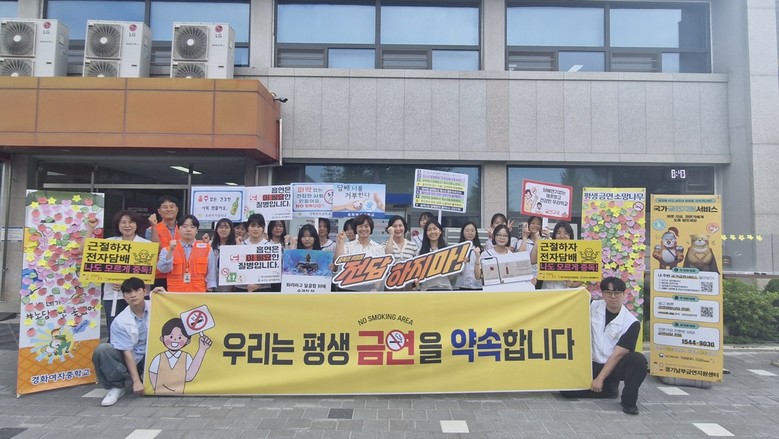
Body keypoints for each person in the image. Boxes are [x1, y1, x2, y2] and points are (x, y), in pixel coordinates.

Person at [560, 277, 647, 415]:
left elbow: (618, 354)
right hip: (590, 363)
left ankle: (628, 402)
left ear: (623, 294)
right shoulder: (592, 306)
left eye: (617, 293)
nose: (613, 297)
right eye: (608, 292)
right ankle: (607, 390)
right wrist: (571, 285)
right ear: (602, 294)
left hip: (613, 365)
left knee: (638, 360)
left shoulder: (631, 323)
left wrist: (600, 379)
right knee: (566, 392)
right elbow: (569, 300)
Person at [91, 277, 162, 406]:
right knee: (102, 350)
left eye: (137, 290)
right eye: (128, 292)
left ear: (144, 291)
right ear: (123, 296)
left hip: (156, 355)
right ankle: (116, 387)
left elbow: (178, 311)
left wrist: (166, 296)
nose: (133, 295)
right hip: (134, 357)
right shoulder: (120, 321)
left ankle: (147, 376)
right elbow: (127, 352)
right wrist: (135, 381)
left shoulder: (157, 306)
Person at [84, 210, 150, 340]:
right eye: (123, 222)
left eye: (131, 222)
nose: (127, 225)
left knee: (140, 332)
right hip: (113, 295)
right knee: (115, 332)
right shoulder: (109, 242)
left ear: (137, 224)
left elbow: (148, 274)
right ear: (117, 225)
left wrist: (125, 284)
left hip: (137, 296)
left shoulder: (146, 245)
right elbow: (84, 251)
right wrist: (90, 229)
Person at [148, 317, 212, 395]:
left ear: (188, 341)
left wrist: (202, 349)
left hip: (179, 394)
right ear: (162, 338)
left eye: (180, 337)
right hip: (159, 393)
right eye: (171, 337)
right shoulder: (159, 358)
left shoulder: (186, 357)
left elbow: (189, 376)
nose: (175, 340)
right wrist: (156, 388)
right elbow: (153, 374)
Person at [157, 215, 212, 293]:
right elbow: (163, 269)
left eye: (192, 227)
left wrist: (211, 289)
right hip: (175, 293)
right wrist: (171, 251)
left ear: (197, 230)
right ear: (178, 229)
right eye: (184, 226)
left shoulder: (207, 248)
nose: (188, 230)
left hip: (199, 293)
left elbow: (211, 272)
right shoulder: (168, 249)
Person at [335, 214, 385, 291]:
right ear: (356, 229)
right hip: (347, 288)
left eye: (366, 226)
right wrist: (341, 241)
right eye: (360, 226)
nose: (363, 229)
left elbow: (381, 271)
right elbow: (339, 260)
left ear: (371, 228)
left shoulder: (378, 248)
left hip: (369, 289)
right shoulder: (347, 246)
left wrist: (376, 288)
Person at [146, 195, 181, 289]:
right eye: (165, 207)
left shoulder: (184, 228)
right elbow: (155, 250)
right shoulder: (150, 230)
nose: (169, 209)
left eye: (172, 206)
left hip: (179, 275)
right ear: (159, 211)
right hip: (159, 275)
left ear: (177, 209)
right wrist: (154, 227)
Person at [539, 221, 583, 290]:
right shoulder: (546, 249)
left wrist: (572, 284)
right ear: (554, 236)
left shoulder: (578, 252)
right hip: (548, 291)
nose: (562, 236)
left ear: (570, 236)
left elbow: (583, 278)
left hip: (566, 293)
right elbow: (533, 261)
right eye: (559, 233)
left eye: (566, 233)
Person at [417, 219, 454, 291]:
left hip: (446, 288)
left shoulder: (449, 251)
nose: (432, 232)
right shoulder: (420, 252)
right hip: (427, 289)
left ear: (440, 231)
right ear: (426, 233)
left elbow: (452, 277)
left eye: (435, 229)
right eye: (429, 230)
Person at [238, 213, 269, 292]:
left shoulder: (270, 247)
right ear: (248, 228)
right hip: (242, 288)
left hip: (264, 289)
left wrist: (259, 284)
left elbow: (273, 271)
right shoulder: (240, 246)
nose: (255, 229)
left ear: (263, 228)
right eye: (253, 226)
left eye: (259, 226)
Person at [207, 218, 236, 292]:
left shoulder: (236, 245)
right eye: (221, 227)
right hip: (212, 283)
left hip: (229, 284)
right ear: (217, 229)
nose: (223, 230)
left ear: (231, 230)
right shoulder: (210, 244)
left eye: (226, 227)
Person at [454, 221, 482, 290]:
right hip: (462, 285)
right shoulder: (457, 249)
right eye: (467, 231)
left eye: (472, 231)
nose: (470, 233)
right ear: (463, 232)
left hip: (477, 285)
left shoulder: (479, 249)